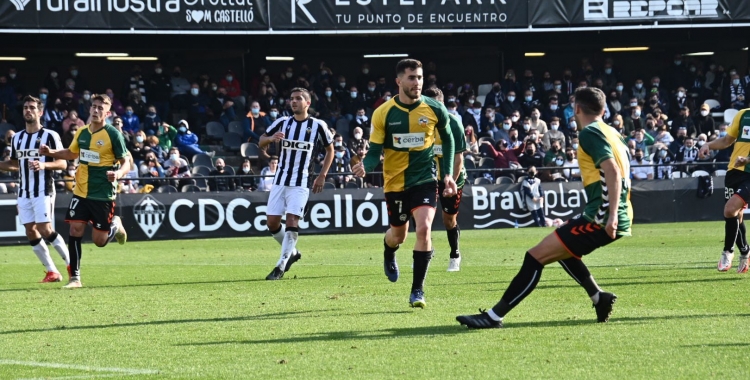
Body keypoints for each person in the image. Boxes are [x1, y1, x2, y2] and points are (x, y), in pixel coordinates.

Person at [457, 87, 633, 328]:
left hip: (602, 216)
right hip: (612, 211)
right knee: (563, 249)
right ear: (604, 110)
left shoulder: (590, 132)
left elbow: (612, 171)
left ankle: (493, 316)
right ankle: (598, 297)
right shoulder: (613, 132)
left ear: (577, 109)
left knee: (534, 257)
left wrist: (611, 216)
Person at [352, 59, 457, 308]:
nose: (417, 82)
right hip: (395, 182)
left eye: (420, 77)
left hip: (424, 178)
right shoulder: (383, 113)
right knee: (398, 235)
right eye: (411, 78)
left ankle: (417, 291)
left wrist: (448, 174)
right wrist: (365, 167)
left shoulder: (435, 108)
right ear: (399, 81)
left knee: (423, 229)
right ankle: (389, 251)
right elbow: (375, 150)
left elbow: (449, 140)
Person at [40, 94, 130, 289]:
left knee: (99, 241)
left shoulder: (113, 134)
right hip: (81, 191)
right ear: (90, 109)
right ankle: (75, 278)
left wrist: (118, 174)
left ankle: (116, 224)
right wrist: (51, 153)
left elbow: (126, 162)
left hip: (102, 193)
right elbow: (72, 153)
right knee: (75, 229)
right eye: (94, 107)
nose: (96, 110)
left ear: (107, 113)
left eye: (101, 108)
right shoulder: (81, 132)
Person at [258, 88, 334, 280]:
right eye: (291, 99)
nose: (294, 102)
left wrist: (322, 175)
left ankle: (281, 265)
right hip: (280, 180)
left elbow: (330, 150)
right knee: (272, 223)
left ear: (307, 103)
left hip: (301, 182)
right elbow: (261, 142)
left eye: (298, 99)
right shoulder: (282, 122)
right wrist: (270, 138)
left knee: (292, 220)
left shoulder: (318, 125)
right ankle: (292, 252)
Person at [0, 95, 71, 283]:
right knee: (30, 231)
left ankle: (71, 264)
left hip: (43, 189)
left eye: (32, 107)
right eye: (25, 107)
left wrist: (44, 165)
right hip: (24, 191)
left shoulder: (50, 135)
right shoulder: (17, 138)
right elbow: (14, 164)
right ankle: (52, 271)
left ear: (40, 112)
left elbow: (63, 163)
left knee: (44, 228)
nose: (28, 110)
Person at [699, 108, 750, 273]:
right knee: (737, 216)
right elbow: (727, 140)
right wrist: (708, 145)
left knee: (729, 210)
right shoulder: (743, 114)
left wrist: (747, 159)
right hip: (734, 171)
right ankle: (745, 251)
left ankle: (728, 251)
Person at [423, 87, 467, 272]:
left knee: (448, 220)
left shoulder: (454, 124)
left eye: (436, 106)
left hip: (451, 177)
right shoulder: (421, 123)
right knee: (424, 218)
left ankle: (455, 254)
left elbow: (458, 158)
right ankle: (425, 252)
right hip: (428, 177)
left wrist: (452, 183)